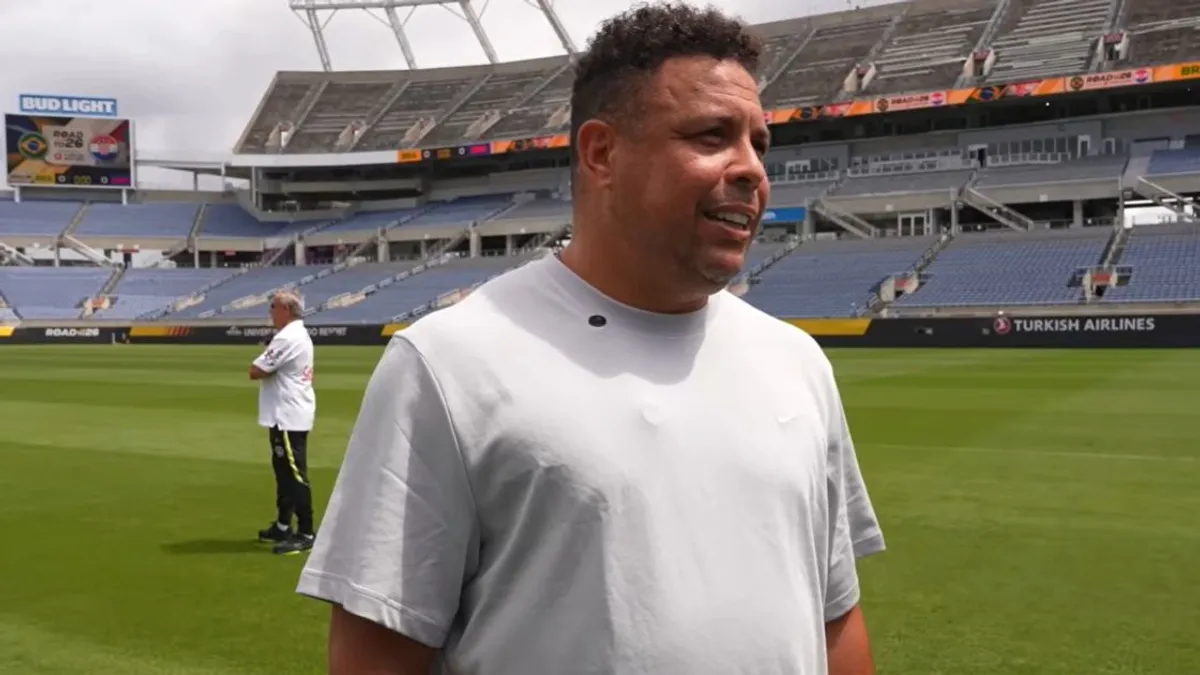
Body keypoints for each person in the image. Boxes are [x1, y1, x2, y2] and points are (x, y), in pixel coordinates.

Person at [297, 4, 886, 674]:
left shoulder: (797, 362)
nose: (752, 168)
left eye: (760, 143)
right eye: (712, 136)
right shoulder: (448, 364)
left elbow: (834, 618)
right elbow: (377, 655)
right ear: (602, 153)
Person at [250, 288, 317, 556]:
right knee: (283, 472)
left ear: (287, 310)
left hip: (288, 414)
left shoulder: (288, 337)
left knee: (294, 473)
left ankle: (306, 531)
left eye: (274, 307)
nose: (270, 312)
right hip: (285, 413)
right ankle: (282, 524)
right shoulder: (296, 334)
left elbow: (256, 370)